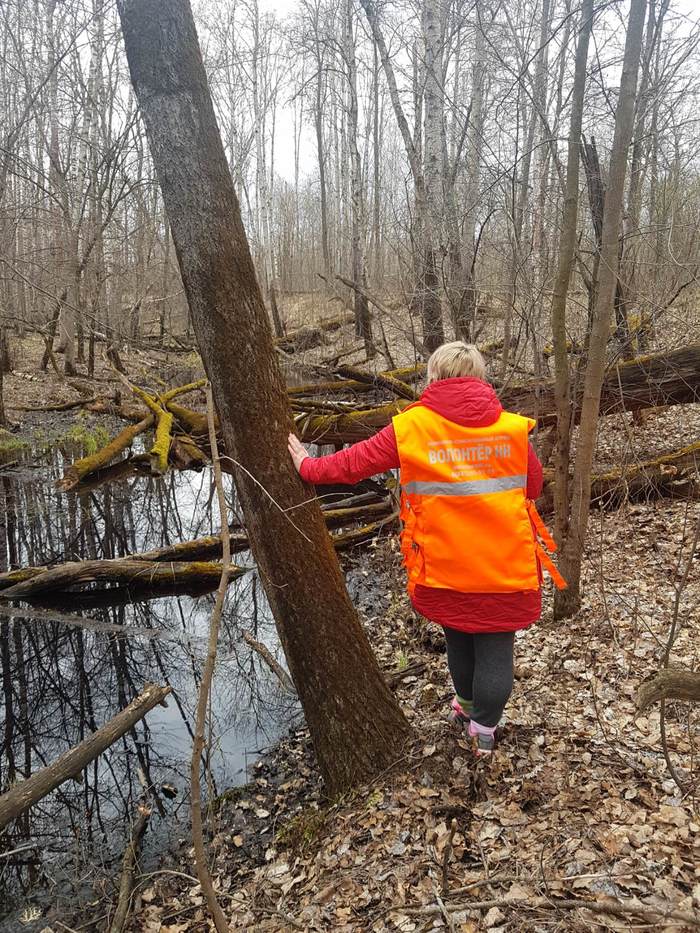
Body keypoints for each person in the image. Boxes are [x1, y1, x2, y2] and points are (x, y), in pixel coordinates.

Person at [288, 341, 565, 756]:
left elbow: (353, 464)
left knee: (458, 635)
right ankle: (484, 730)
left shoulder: (411, 428)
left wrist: (308, 466)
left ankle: (468, 708)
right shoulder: (510, 429)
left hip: (443, 566)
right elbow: (534, 485)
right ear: (481, 379)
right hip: (504, 566)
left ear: (433, 378)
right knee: (495, 646)